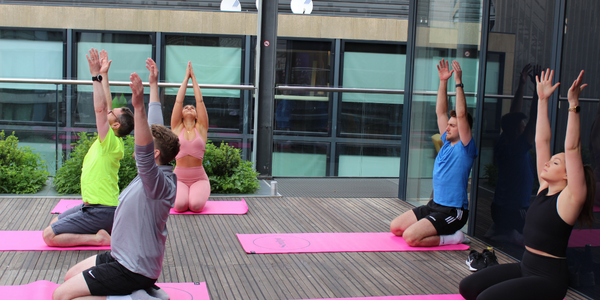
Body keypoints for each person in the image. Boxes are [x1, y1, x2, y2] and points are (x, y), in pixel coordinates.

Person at [459, 70, 596, 300]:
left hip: (549, 279)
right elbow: (541, 140)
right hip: (525, 266)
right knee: (468, 287)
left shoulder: (571, 198)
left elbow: (572, 148)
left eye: (555, 162)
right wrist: (542, 100)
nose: (547, 163)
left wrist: (573, 105)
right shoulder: (544, 187)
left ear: (568, 175)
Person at [52, 72, 180, 300]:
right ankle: (138, 294)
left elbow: (144, 152)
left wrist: (138, 107)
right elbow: (154, 127)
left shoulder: (157, 183)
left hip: (133, 268)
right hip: (120, 255)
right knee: (69, 277)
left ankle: (132, 297)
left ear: (155, 154)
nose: (138, 143)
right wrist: (152, 84)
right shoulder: (159, 174)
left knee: (61, 296)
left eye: (147, 144)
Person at [43, 48, 134, 247]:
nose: (109, 112)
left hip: (101, 210)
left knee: (49, 236)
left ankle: (98, 239)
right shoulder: (111, 140)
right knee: (55, 223)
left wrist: (95, 76)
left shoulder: (110, 142)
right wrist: (105, 75)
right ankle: (100, 231)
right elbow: (107, 105)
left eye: (113, 114)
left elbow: (101, 108)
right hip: (95, 207)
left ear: (116, 124)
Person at [390, 59, 478, 247]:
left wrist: (458, 82)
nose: (447, 127)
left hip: (453, 212)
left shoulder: (466, 147)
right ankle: (437, 229)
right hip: (434, 205)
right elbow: (440, 111)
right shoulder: (446, 142)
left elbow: (461, 115)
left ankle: (455, 237)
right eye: (448, 125)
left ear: (463, 129)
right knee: (396, 228)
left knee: (411, 238)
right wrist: (443, 81)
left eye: (452, 125)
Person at [487, 64, 540, 243]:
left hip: (498, 210)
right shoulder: (517, 149)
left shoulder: (503, 143)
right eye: (523, 127)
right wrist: (537, 92)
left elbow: (513, 115)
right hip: (515, 212)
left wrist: (522, 84)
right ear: (518, 131)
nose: (526, 128)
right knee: (532, 237)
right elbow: (533, 119)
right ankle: (508, 236)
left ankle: (499, 228)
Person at [171, 61, 211, 212]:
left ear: (196, 115)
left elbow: (199, 101)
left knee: (195, 206)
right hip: (179, 177)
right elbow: (178, 101)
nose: (188, 108)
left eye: (192, 108)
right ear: (181, 113)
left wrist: (193, 77)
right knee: (180, 206)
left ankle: (199, 192)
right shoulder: (176, 128)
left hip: (198, 178)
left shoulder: (201, 128)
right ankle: (184, 195)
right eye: (186, 108)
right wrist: (185, 79)